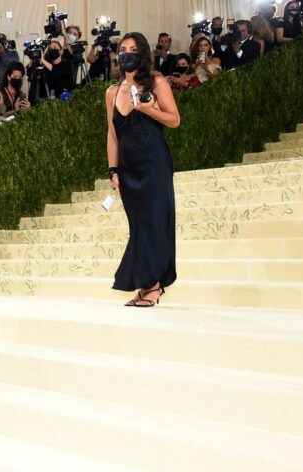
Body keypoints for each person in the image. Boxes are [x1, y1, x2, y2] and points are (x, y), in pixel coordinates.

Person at [106, 32, 180, 307]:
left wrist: (147, 109)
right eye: (123, 49)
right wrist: (113, 170)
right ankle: (146, 283)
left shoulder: (157, 81)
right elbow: (112, 134)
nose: (127, 53)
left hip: (154, 163)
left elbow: (174, 120)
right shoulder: (111, 92)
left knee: (155, 221)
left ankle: (154, 285)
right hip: (128, 168)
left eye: (133, 48)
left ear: (143, 53)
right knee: (138, 225)